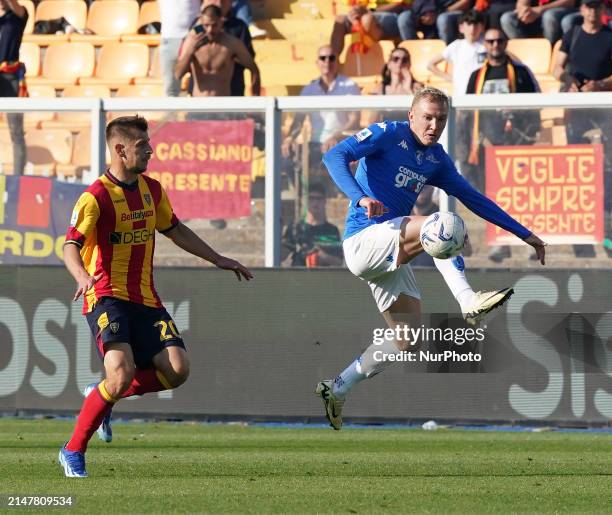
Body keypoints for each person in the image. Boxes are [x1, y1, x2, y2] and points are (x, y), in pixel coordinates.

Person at [315, 87, 546, 430]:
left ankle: (337, 388)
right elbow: (334, 156)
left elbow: (473, 197)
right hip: (363, 241)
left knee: (407, 338)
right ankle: (468, 299)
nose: (433, 125)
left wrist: (524, 234)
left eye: (440, 119)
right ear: (411, 115)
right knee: (444, 225)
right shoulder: (388, 133)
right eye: (427, 117)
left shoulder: (436, 159)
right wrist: (360, 198)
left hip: (391, 251)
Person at [58, 115, 253, 477]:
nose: (150, 151)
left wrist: (218, 258)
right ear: (120, 150)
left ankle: (99, 395)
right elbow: (70, 245)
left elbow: (175, 230)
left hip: (146, 298)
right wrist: (82, 275)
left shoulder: (153, 190)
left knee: (177, 370)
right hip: (105, 296)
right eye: (142, 146)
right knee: (120, 372)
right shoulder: (95, 197)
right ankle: (73, 450)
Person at [463, 27, 540, 262]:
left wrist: (528, 136)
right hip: (488, 146)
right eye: (490, 41)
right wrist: (472, 142)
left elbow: (534, 106)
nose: (495, 45)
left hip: (517, 144)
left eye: (499, 41)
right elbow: (467, 113)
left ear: (506, 43)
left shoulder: (521, 73)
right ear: (484, 44)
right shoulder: (477, 76)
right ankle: (500, 244)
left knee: (522, 197)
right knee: (495, 199)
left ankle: (529, 244)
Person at [552, 0, 612, 257]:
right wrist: (571, 82)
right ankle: (582, 241)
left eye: (597, 7)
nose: (592, 11)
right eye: (588, 6)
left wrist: (599, 85)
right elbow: (556, 68)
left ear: (603, 11)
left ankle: (607, 234)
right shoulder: (572, 34)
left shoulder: (610, 36)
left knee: (607, 172)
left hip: (605, 111)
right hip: (576, 111)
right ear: (583, 10)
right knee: (578, 171)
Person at [281, 45, 361, 195]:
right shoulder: (309, 90)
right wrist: (290, 138)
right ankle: (305, 201)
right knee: (285, 158)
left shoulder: (349, 86)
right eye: (323, 58)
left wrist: (336, 136)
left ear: (338, 62)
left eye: (331, 58)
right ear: (317, 62)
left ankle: (341, 200)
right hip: (315, 145)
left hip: (341, 142)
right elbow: (299, 119)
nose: (327, 62)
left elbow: (354, 119)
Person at [174, 4, 261, 96]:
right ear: (201, 22)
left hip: (223, 104)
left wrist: (255, 98)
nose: (210, 30)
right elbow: (178, 74)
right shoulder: (192, 41)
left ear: (221, 22)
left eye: (214, 25)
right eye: (206, 25)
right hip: (199, 104)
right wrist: (190, 51)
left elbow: (254, 69)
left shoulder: (232, 44)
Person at [282, 182, 343, 267]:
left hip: (323, 278)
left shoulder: (331, 230)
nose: (315, 202)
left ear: (325, 201)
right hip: (297, 277)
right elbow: (280, 256)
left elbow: (339, 262)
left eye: (319, 198)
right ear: (305, 201)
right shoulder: (295, 228)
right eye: (311, 198)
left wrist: (323, 257)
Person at [427, 10, 487, 97]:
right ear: (461, 28)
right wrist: (448, 77)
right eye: (469, 24)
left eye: (476, 24)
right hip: (461, 94)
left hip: (482, 93)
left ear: (482, 27)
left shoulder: (488, 44)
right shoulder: (456, 45)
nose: (473, 28)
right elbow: (430, 64)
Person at [203, 0, 255, 96]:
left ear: (231, 2)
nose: (219, 3)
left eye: (223, 1)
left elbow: (250, 62)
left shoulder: (239, 27)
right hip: (201, 98)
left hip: (232, 92)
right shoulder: (198, 29)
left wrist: (227, 56)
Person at [0, 0, 28, 175]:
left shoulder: (17, 15)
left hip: (9, 75)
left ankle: (18, 177)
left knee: (15, 131)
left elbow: (17, 8)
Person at [330, 0, 413, 56]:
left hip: (394, 16)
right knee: (340, 20)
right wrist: (354, 13)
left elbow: (399, 5)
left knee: (367, 19)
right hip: (368, 13)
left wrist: (369, 11)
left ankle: (378, 58)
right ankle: (332, 61)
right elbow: (359, 5)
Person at [158, 0, 202, 97]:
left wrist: (199, 29)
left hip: (196, 37)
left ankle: (199, 112)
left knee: (204, 85)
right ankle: (171, 113)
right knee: (170, 90)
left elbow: (209, 6)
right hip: (169, 38)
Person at [500, 0, 578, 44]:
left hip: (562, 11)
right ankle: (525, 53)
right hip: (535, 13)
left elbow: (569, 2)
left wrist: (541, 10)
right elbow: (522, 3)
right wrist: (524, 10)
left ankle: (549, 52)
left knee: (549, 16)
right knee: (507, 18)